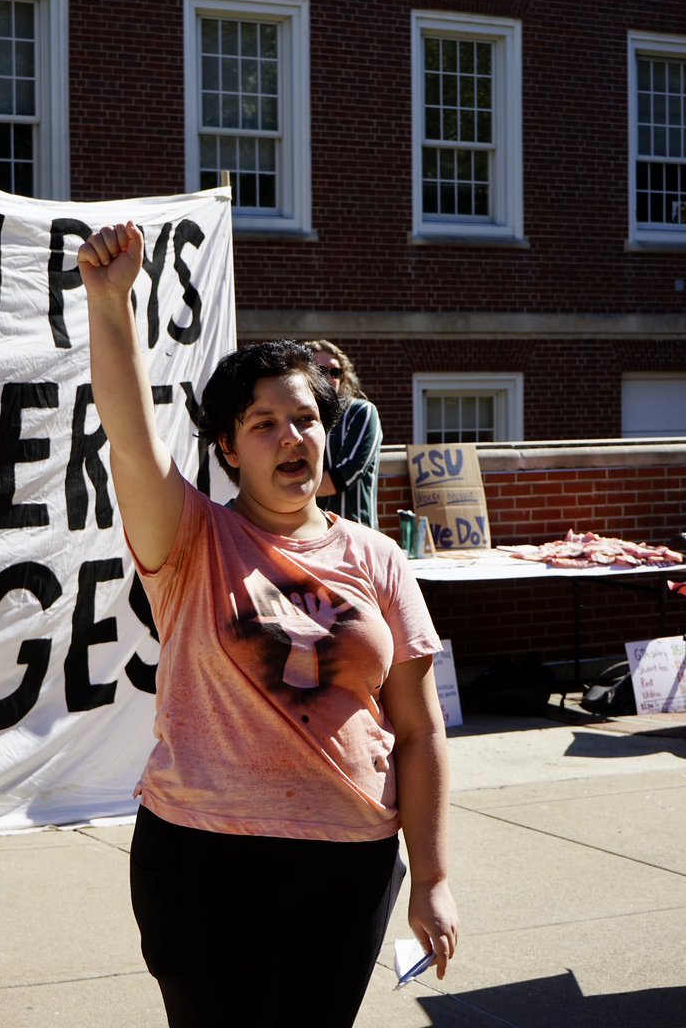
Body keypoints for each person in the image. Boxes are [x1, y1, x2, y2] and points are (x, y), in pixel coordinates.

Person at [78, 221, 458, 1028]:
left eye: (305, 419)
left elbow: (419, 731)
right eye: (263, 423)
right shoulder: (190, 539)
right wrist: (110, 303)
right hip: (204, 858)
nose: (291, 437)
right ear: (227, 448)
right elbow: (131, 438)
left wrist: (430, 877)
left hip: (351, 861)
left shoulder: (378, 557)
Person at [304, 339, 383, 528]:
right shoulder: (299, 419)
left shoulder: (362, 411)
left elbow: (343, 476)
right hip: (311, 533)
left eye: (335, 372)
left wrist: (287, 490)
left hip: (355, 531)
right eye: (321, 371)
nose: (330, 378)